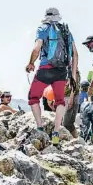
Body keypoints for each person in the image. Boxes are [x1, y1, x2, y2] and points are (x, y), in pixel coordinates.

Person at [26, 8, 79, 146]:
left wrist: (31, 63)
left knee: (33, 97)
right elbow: (75, 54)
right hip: (61, 71)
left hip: (46, 68)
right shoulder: (66, 31)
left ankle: (40, 127)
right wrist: (72, 76)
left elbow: (37, 48)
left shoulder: (43, 28)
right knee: (60, 100)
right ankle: (56, 131)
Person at [63, 70, 81, 138]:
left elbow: (74, 84)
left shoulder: (73, 69)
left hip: (71, 97)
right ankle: (77, 140)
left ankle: (69, 140)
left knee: (66, 123)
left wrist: (71, 98)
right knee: (69, 124)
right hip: (66, 97)